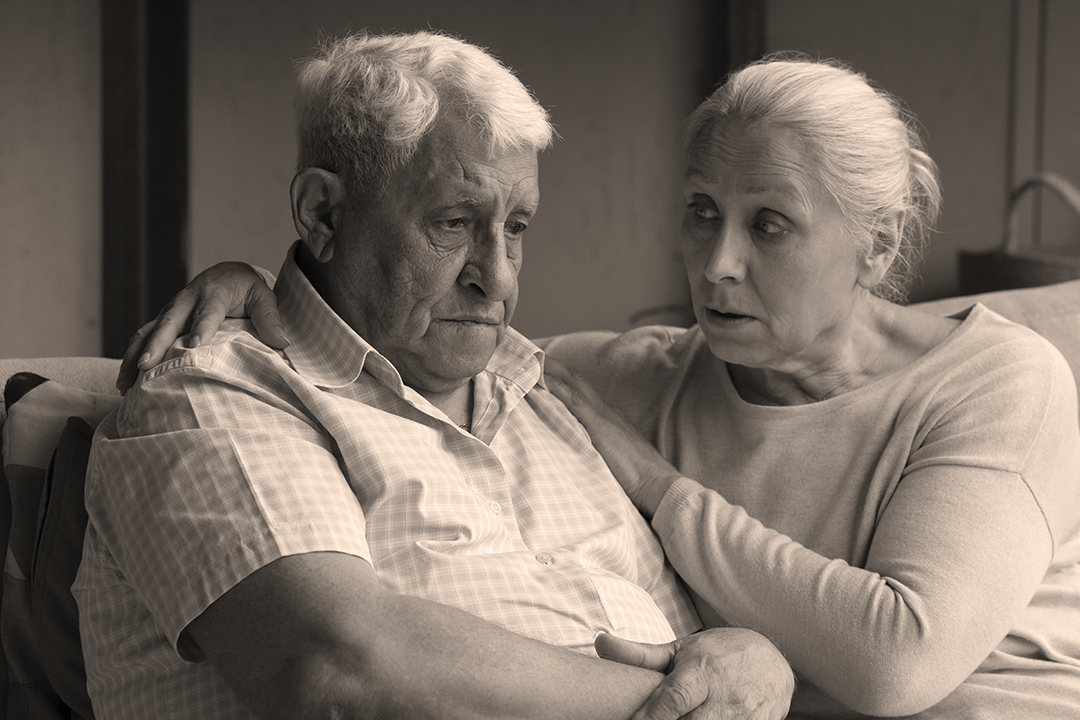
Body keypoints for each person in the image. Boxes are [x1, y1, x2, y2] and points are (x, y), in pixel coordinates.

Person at [138, 54, 1080, 719]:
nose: (716, 265)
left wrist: (661, 489)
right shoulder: (621, 377)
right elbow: (398, 346)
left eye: (771, 226)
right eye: (703, 213)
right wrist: (263, 279)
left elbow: (898, 660)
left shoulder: (995, 378)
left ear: (876, 244)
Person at [77, 31, 796, 720]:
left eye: (516, 227)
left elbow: (709, 650)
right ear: (322, 213)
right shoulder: (218, 392)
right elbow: (335, 672)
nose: (499, 279)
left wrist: (756, 660)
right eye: (455, 224)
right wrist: (694, 706)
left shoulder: (543, 392)